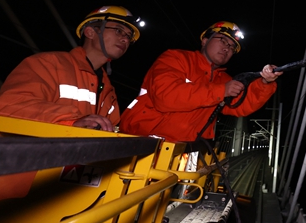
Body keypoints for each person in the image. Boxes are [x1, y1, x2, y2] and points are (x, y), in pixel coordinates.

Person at [0, 5, 142, 221]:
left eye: (128, 36)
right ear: (90, 32)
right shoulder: (48, 64)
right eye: (118, 30)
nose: (125, 38)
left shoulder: (108, 91)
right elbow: (9, 106)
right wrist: (73, 122)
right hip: (8, 200)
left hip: (63, 203)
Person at [120, 21, 281, 142]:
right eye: (223, 41)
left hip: (185, 149)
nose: (227, 48)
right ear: (205, 40)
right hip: (142, 141)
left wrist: (265, 82)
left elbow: (241, 106)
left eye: (232, 47)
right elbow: (166, 97)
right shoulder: (176, 58)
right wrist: (221, 91)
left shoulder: (223, 79)